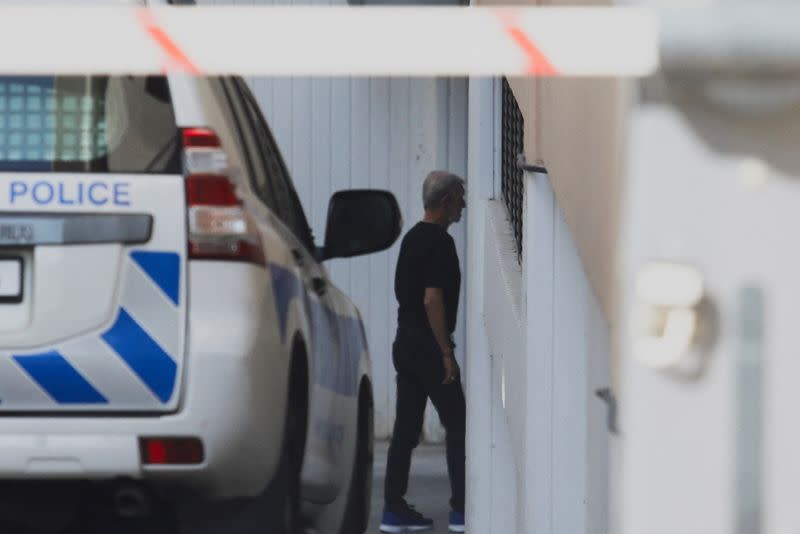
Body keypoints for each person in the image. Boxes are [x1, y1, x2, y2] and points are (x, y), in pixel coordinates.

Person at [380, 171, 467, 533]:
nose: (463, 204)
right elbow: (432, 298)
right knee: (458, 422)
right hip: (430, 346)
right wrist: (446, 352)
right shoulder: (440, 243)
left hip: (405, 342)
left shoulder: (411, 239)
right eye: (460, 198)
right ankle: (462, 511)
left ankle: (392, 509)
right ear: (446, 202)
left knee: (405, 429)